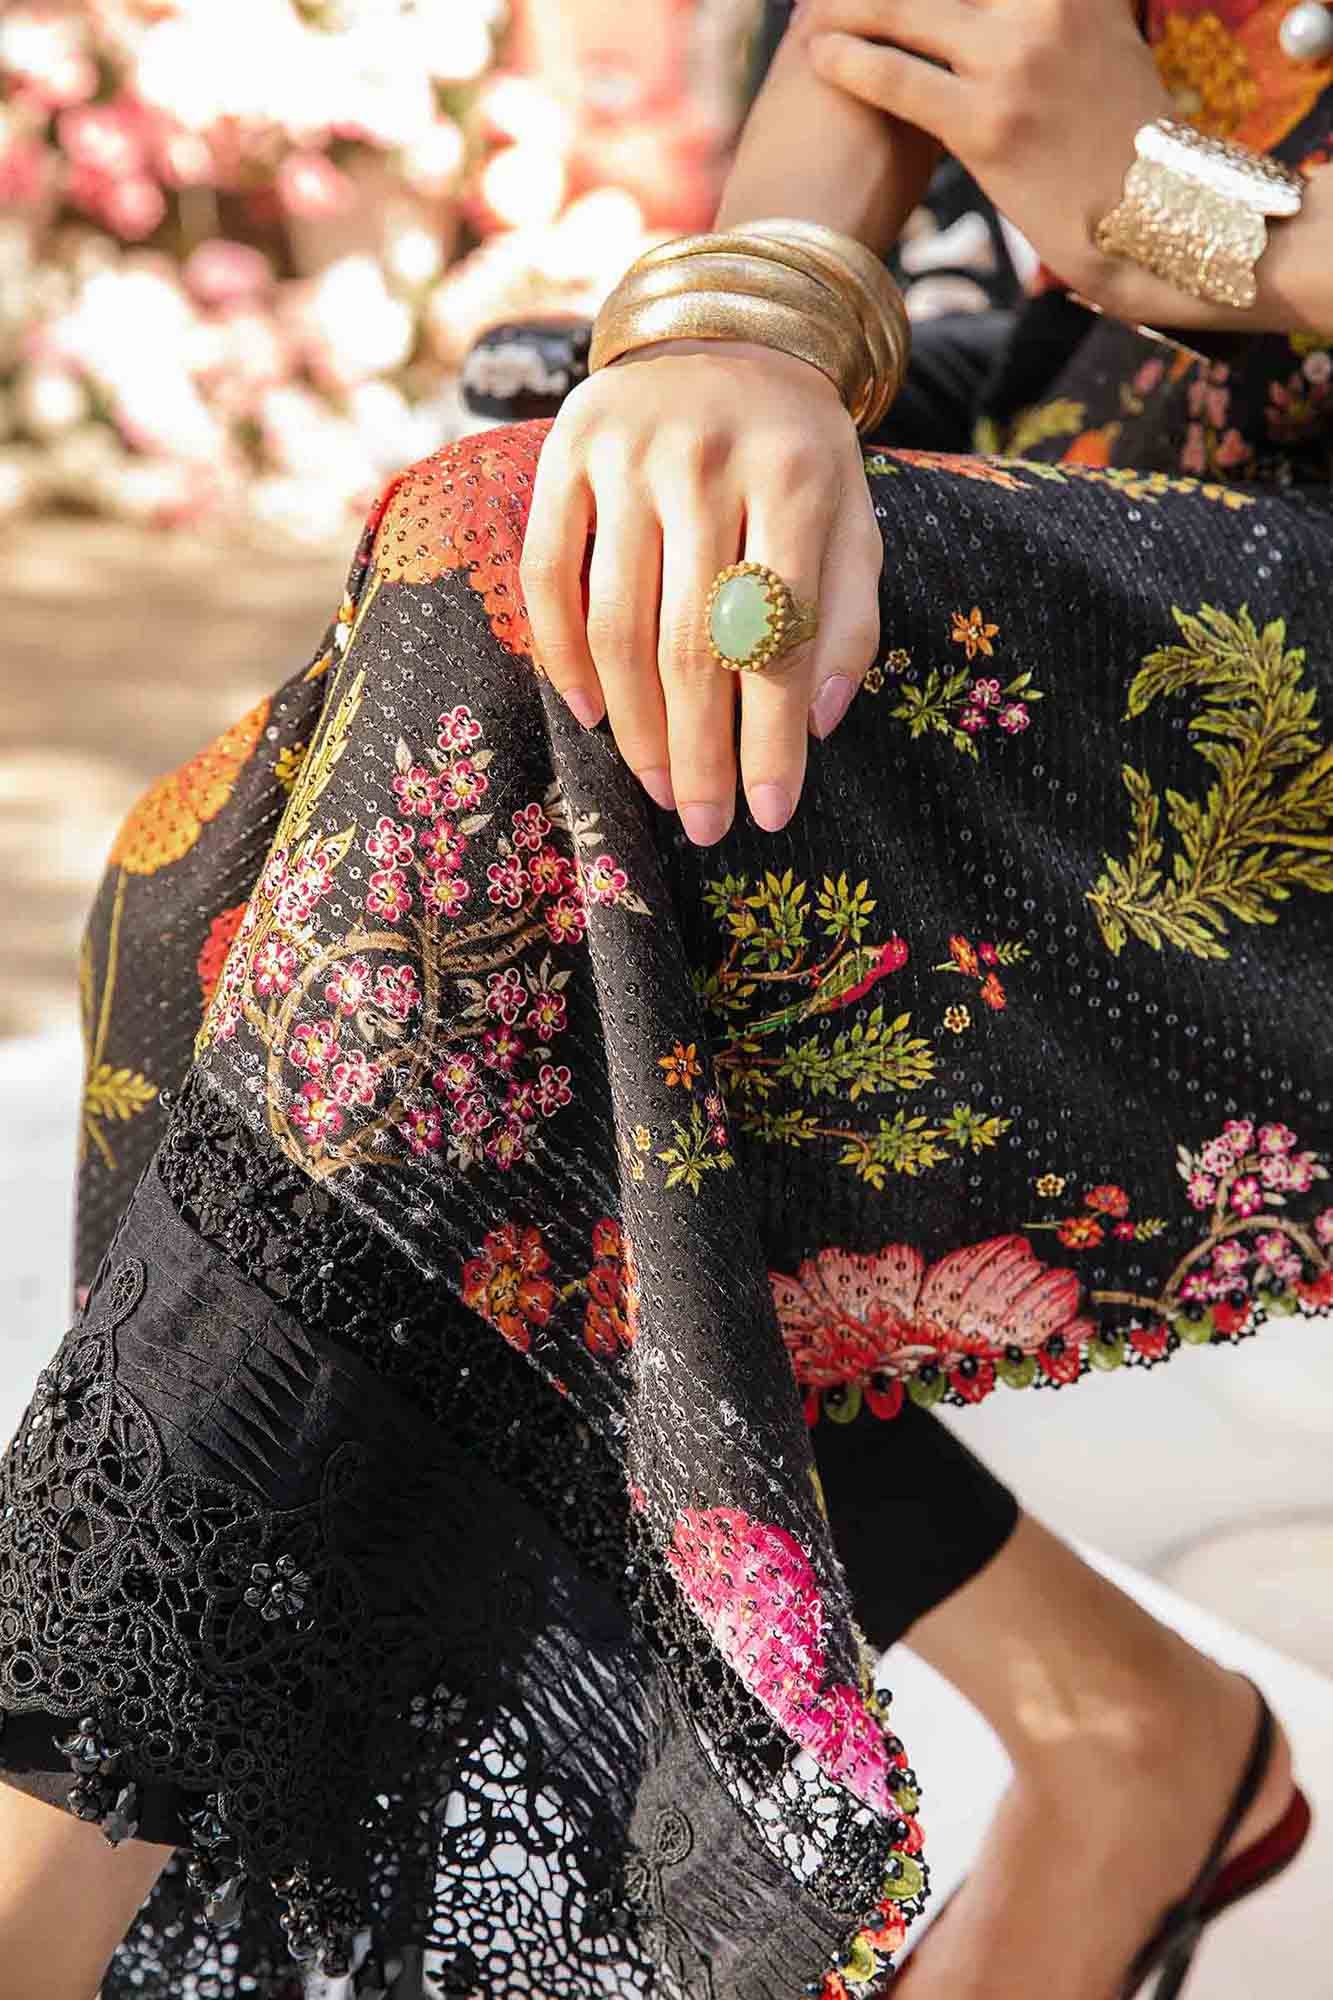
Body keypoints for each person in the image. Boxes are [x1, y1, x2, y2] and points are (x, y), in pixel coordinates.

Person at [1, 1, 1329, 1996]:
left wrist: (1221, 227)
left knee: (486, 759)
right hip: (1096, 438)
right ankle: (1109, 1719)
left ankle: (38, 1903)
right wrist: (742, 341)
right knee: (270, 865)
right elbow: (890, 36)